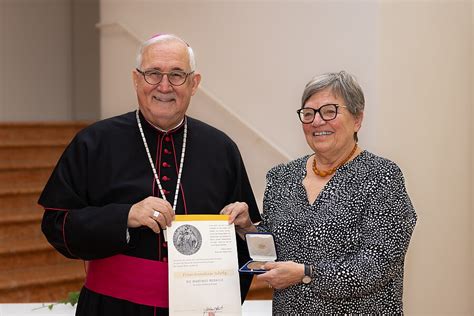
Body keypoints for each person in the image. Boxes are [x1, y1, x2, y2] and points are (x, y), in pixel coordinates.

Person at [39, 34, 261, 316]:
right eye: (153, 73)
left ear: (194, 83)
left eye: (177, 74)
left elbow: (254, 246)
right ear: (136, 79)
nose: (164, 86)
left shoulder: (222, 149)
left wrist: (246, 231)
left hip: (201, 309)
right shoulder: (94, 143)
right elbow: (56, 224)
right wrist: (124, 216)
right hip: (113, 309)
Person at [223, 71, 417, 314]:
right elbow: (275, 247)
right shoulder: (281, 177)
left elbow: (378, 263)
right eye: (308, 113)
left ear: (357, 119)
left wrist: (306, 274)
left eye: (329, 111)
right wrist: (247, 228)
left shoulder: (382, 177)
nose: (317, 121)